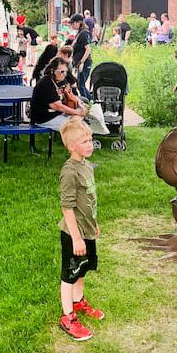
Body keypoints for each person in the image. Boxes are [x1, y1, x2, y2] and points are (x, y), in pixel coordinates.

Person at [56, 117, 105, 341]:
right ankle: (68, 316)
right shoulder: (69, 172)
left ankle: (79, 301)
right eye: (84, 141)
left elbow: (90, 200)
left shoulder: (86, 165)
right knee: (69, 274)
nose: (90, 144)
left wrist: (94, 224)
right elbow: (67, 208)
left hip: (87, 231)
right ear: (71, 147)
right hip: (73, 234)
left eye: (91, 139)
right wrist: (76, 238)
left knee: (82, 270)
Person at [32, 59, 89, 131]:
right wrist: (77, 112)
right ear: (52, 71)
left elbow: (71, 95)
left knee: (84, 115)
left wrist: (81, 104)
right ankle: (78, 140)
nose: (64, 74)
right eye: (62, 71)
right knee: (75, 126)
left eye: (66, 71)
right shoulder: (46, 83)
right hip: (45, 118)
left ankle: (85, 138)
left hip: (59, 113)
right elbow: (58, 106)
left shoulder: (62, 80)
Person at [70, 14, 94, 100]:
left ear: (79, 23)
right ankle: (90, 102)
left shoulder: (83, 33)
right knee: (80, 85)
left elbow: (88, 50)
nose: (71, 25)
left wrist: (81, 62)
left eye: (73, 23)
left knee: (81, 85)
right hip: (79, 63)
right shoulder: (79, 33)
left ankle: (88, 102)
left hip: (84, 63)